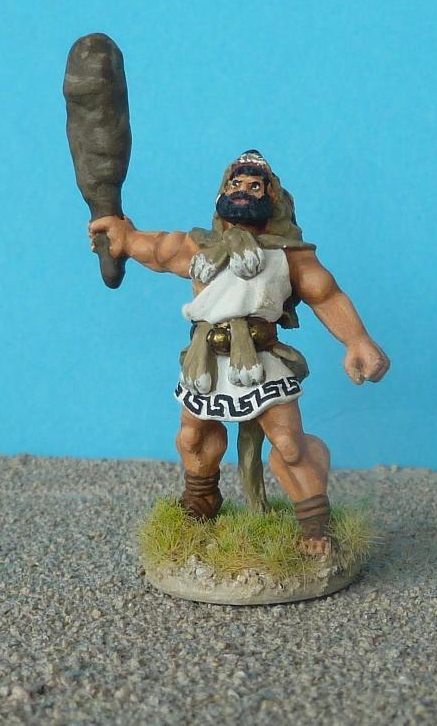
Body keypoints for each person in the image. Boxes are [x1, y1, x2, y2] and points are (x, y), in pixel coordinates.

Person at [89, 150, 389, 555]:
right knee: (194, 436)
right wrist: (122, 236)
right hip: (207, 360)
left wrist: (357, 339)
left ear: (271, 197)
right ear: (222, 193)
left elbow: (326, 295)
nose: (243, 190)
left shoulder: (288, 254)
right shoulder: (198, 247)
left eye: (254, 185)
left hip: (261, 358)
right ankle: (201, 499)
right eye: (235, 184)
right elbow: (156, 248)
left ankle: (315, 522)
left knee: (289, 444)